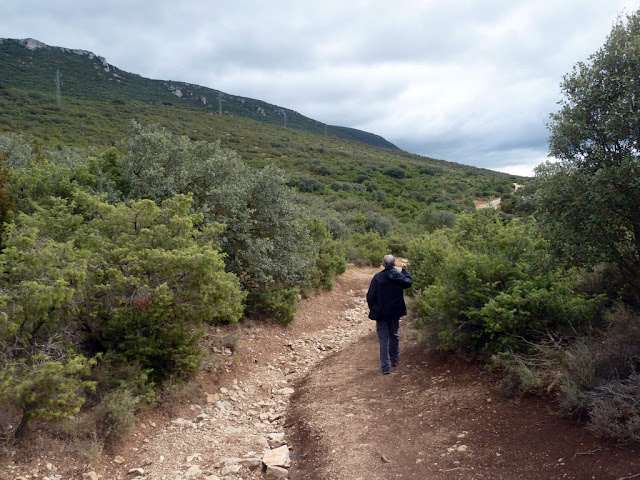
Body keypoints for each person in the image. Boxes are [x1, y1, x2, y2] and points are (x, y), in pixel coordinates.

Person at [366, 254, 412, 374]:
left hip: (381, 313)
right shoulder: (398, 276)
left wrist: (374, 308)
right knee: (394, 334)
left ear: (383, 264)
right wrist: (405, 270)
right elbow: (408, 282)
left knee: (383, 339)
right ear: (394, 264)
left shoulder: (377, 277)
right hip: (394, 312)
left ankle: (386, 367)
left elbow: (370, 296)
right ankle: (394, 359)